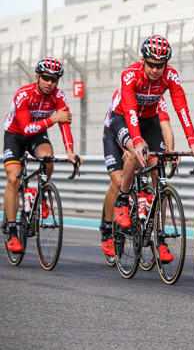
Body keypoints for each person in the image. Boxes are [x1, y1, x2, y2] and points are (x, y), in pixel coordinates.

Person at [106, 35, 194, 264]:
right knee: (140, 152)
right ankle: (123, 198)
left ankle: (159, 237)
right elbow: (129, 111)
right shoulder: (130, 74)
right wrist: (136, 142)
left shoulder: (171, 76)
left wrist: (192, 141)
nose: (156, 70)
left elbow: (181, 108)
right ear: (142, 60)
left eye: (161, 65)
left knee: (158, 170)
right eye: (151, 64)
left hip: (149, 121)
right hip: (122, 119)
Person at [3, 57, 82, 253]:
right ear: (37, 76)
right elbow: (27, 129)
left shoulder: (59, 96)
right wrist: (53, 117)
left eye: (54, 79)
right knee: (14, 178)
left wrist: (70, 151)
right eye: (46, 78)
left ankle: (39, 195)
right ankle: (12, 231)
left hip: (37, 133)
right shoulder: (23, 95)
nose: (50, 83)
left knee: (48, 157)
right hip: (16, 134)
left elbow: (65, 124)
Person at [100, 95, 174, 258]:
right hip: (117, 134)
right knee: (118, 180)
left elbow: (165, 127)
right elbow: (116, 125)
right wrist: (127, 151)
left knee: (156, 170)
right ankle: (107, 228)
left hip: (143, 132)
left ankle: (159, 234)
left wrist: (170, 151)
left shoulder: (157, 99)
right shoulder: (125, 94)